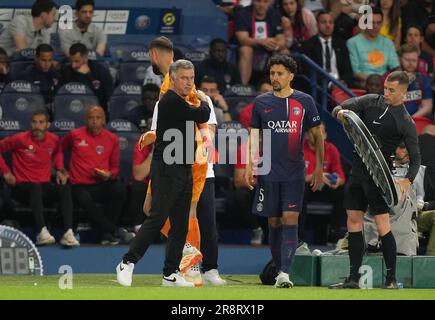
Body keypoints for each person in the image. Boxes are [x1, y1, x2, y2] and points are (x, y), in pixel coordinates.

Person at [116, 59, 211, 287]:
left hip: (184, 167)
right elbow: (203, 114)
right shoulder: (170, 101)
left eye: (191, 78)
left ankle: (170, 273)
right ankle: (126, 263)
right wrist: (204, 99)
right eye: (184, 78)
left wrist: (199, 100)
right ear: (173, 79)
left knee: (180, 225)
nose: (189, 83)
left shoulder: (183, 100)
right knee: (157, 218)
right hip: (167, 168)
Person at [330, 71, 421, 289]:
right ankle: (353, 279)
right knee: (353, 221)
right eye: (385, 88)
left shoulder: (406, 122)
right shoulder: (371, 101)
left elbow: (416, 157)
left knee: (382, 225)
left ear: (403, 93)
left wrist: (407, 181)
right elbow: (339, 107)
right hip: (357, 171)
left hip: (379, 177)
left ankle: (390, 280)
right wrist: (340, 113)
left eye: (392, 90)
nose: (386, 93)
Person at [245, 54, 324, 288]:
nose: (275, 77)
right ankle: (278, 268)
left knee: (291, 218)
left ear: (291, 75)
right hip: (268, 171)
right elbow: (254, 136)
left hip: (293, 173)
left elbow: (317, 135)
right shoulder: (261, 102)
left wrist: (319, 168)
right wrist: (250, 164)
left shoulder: (305, 101)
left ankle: (283, 274)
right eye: (272, 73)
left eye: (279, 73)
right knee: (275, 222)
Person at [0, 111, 79, 247]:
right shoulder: (19, 139)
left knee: (64, 188)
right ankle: (42, 232)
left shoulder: (53, 140)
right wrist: (6, 172)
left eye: (41, 122)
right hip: (21, 188)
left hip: (43, 186)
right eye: (34, 122)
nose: (37, 126)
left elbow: (58, 152)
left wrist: (60, 169)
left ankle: (68, 233)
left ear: (48, 125)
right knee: (35, 187)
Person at [62, 105, 133, 245]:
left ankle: (107, 235)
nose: (94, 121)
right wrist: (60, 169)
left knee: (119, 189)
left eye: (98, 118)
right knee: (83, 197)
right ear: (85, 120)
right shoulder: (75, 135)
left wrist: (109, 175)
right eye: (91, 118)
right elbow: (58, 150)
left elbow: (115, 169)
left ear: (103, 120)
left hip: (101, 183)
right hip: (79, 185)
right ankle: (114, 231)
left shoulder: (112, 139)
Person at [301, 122, 346, 245]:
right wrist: (316, 176)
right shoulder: (299, 150)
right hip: (307, 189)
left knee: (341, 191)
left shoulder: (331, 149)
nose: (316, 135)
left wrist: (336, 181)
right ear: (307, 135)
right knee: (299, 191)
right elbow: (293, 178)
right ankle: (300, 238)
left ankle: (333, 235)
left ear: (325, 135)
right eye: (313, 132)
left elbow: (341, 176)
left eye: (320, 131)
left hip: (325, 189)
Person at [234, 0, 286, 85]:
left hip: (269, 49)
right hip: (251, 48)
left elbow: (281, 39)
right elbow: (242, 39)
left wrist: (275, 46)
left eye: (265, 1)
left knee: (284, 51)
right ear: (253, 1)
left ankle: (281, 87)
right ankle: (242, 87)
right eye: (258, 1)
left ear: (270, 2)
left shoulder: (275, 14)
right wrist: (261, 42)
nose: (261, 5)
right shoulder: (243, 14)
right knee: (246, 49)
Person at [346, 7, 399, 88]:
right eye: (372, 23)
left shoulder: (388, 43)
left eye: (378, 23)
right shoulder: (353, 43)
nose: (375, 26)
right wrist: (377, 81)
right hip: (363, 84)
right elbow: (356, 72)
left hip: (384, 84)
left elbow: (396, 67)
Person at [300, 10, 353, 87]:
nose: (328, 25)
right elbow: (308, 71)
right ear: (317, 25)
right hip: (319, 87)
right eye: (324, 22)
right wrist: (329, 84)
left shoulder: (341, 44)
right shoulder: (308, 45)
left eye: (331, 22)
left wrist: (344, 82)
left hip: (340, 85)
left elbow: (348, 69)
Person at [62, 43, 114, 113]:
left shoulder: (100, 71)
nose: (73, 65)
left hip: (97, 110)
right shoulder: (67, 71)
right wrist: (80, 75)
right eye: (71, 61)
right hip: (73, 109)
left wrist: (87, 75)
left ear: (85, 58)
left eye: (77, 61)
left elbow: (108, 95)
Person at [398, 43, 433, 118]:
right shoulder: (390, 78)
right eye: (407, 60)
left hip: (417, 119)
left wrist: (411, 120)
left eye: (414, 60)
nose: (411, 63)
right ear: (400, 59)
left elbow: (428, 106)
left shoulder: (423, 79)